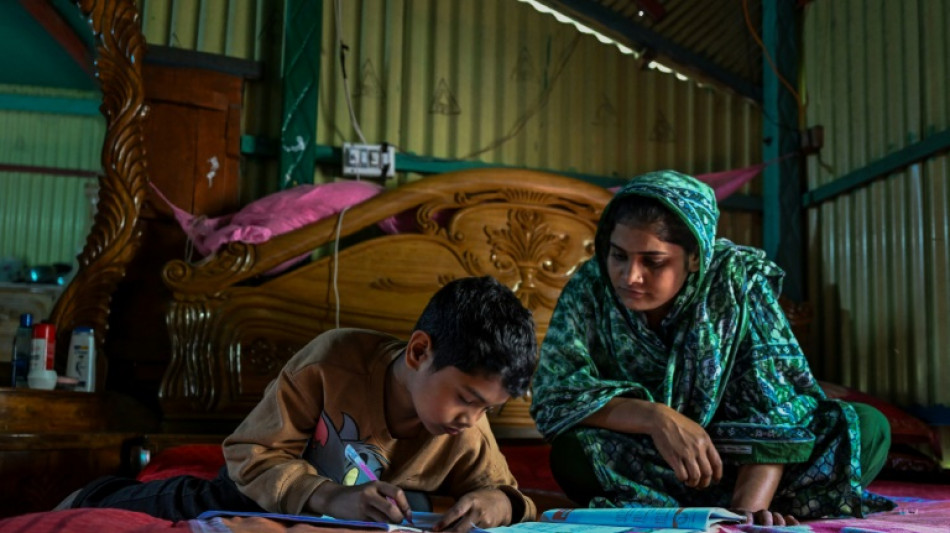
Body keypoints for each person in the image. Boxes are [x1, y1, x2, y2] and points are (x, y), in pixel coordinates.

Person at [530, 170, 895, 526]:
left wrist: (744, 515)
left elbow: (776, 408)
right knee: (574, 453)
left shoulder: (737, 283)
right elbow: (557, 394)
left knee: (865, 427)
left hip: (751, 459)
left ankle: (726, 508)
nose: (630, 276)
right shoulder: (590, 286)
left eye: (653, 262)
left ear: (695, 257)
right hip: (656, 461)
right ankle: (752, 506)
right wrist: (657, 418)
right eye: (618, 255)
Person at [63, 276, 539, 532]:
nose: (473, 420)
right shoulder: (334, 362)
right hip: (257, 489)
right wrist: (331, 497)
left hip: (359, 517)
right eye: (467, 400)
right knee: (194, 503)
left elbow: (506, 492)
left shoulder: (467, 427)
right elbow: (250, 455)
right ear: (419, 352)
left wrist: (494, 504)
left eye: (487, 410)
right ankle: (92, 495)